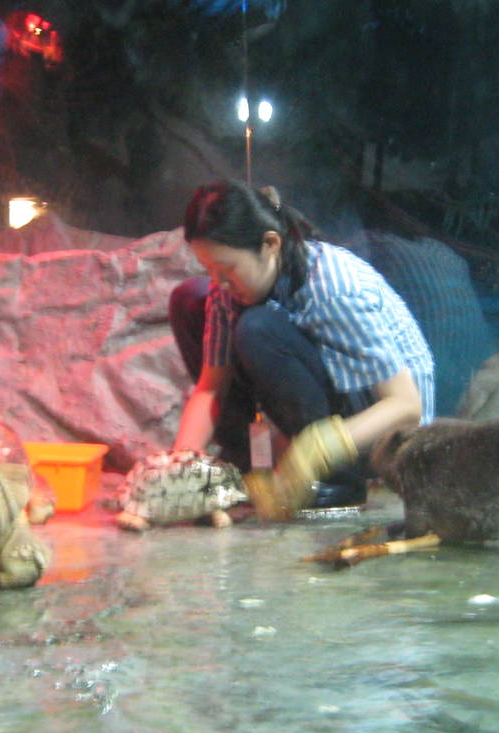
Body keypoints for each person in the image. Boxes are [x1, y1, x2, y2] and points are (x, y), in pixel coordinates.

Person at [169, 180, 435, 519]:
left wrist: (319, 450)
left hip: (381, 436)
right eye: (210, 270)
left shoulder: (335, 288)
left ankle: (337, 478)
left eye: (227, 269)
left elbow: (407, 406)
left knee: (257, 328)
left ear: (270, 244)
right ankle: (251, 465)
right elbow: (211, 388)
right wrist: (181, 467)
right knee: (190, 298)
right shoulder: (229, 291)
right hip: (323, 420)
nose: (219, 283)